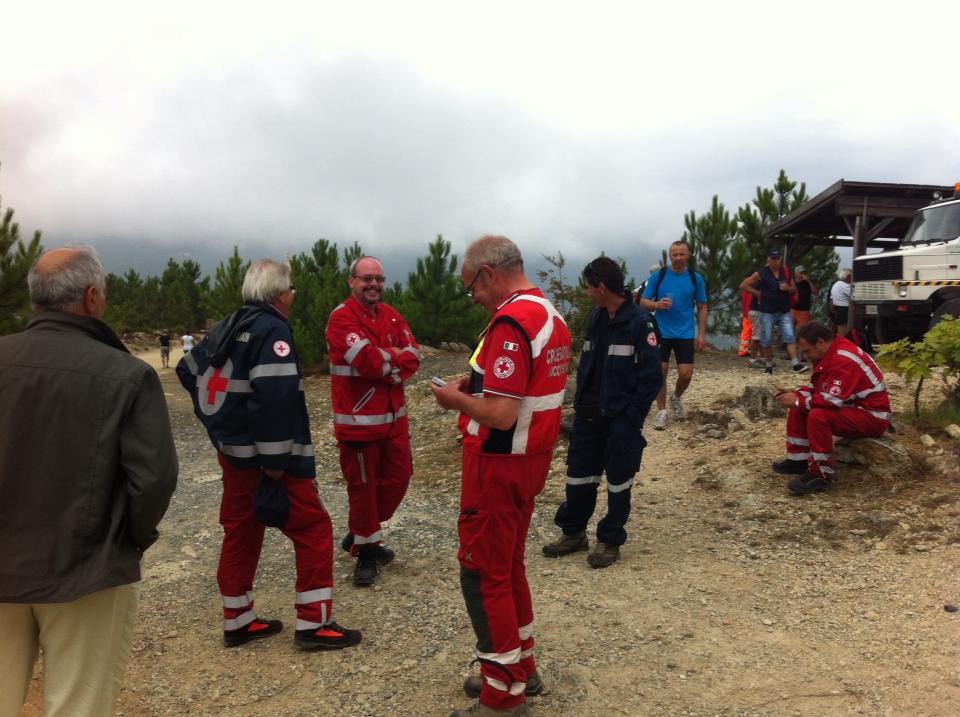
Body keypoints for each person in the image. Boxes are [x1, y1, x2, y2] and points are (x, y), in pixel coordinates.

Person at [0, 246, 178, 717]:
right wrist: (128, 542)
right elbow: (154, 479)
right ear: (93, 297)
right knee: (78, 708)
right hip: (88, 571)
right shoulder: (127, 374)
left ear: (36, 298)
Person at [177, 259, 361, 651]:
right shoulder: (272, 329)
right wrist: (276, 465)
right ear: (279, 294)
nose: (293, 296)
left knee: (241, 530)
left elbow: (187, 370)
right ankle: (315, 625)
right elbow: (275, 400)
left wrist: (219, 425)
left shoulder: (229, 324)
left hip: (234, 457)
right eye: (291, 289)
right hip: (269, 462)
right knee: (313, 529)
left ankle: (238, 620)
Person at [431, 235, 571, 717]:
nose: (472, 297)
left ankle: (501, 694)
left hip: (498, 461)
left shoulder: (511, 322)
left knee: (482, 572)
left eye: (471, 286)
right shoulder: (549, 315)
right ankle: (521, 665)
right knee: (508, 565)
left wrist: (455, 400)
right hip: (530, 460)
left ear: (488, 274)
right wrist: (475, 382)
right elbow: (523, 384)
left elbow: (501, 413)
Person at [542, 258, 661, 569]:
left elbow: (651, 378)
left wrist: (631, 418)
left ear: (602, 287)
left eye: (588, 286)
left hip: (620, 419)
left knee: (618, 483)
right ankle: (574, 533)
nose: (586, 292)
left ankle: (609, 539)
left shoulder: (639, 322)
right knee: (578, 478)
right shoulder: (597, 317)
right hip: (588, 415)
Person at [326, 255, 420, 586]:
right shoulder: (341, 319)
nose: (374, 284)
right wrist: (392, 356)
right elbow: (368, 363)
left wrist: (391, 358)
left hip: (394, 423)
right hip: (359, 424)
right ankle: (366, 553)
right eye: (367, 278)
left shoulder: (392, 316)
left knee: (398, 480)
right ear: (351, 281)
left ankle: (361, 532)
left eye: (379, 278)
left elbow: (414, 357)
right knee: (363, 490)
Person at [771, 321, 891, 495]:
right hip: (855, 407)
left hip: (873, 417)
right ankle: (799, 460)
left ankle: (821, 474)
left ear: (820, 342)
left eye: (807, 351)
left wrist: (797, 400)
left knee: (818, 415)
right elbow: (821, 390)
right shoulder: (829, 354)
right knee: (800, 404)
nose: (805, 356)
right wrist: (795, 394)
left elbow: (831, 400)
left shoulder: (842, 359)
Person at [639, 240, 708, 429]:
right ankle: (662, 411)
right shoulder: (659, 276)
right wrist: (658, 305)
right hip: (661, 330)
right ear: (669, 255)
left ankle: (676, 397)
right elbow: (643, 301)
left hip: (685, 332)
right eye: (674, 254)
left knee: (686, 375)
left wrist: (701, 335)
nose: (678, 258)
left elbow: (702, 307)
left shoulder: (695, 278)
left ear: (689, 255)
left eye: (681, 254)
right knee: (660, 371)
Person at [739, 248, 805, 374]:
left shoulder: (786, 272)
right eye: (772, 258)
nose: (775, 261)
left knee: (790, 336)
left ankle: (796, 363)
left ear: (780, 259)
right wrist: (757, 293)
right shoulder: (761, 273)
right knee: (766, 338)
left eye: (777, 258)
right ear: (768, 259)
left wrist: (788, 288)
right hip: (767, 311)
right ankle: (768, 364)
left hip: (783, 310)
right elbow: (743, 285)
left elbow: (794, 290)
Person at [829, 268, 853, 336]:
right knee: (844, 333)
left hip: (838, 310)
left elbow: (831, 300)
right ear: (848, 277)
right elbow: (854, 296)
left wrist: (833, 312)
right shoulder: (845, 286)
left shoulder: (836, 284)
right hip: (844, 310)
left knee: (840, 331)